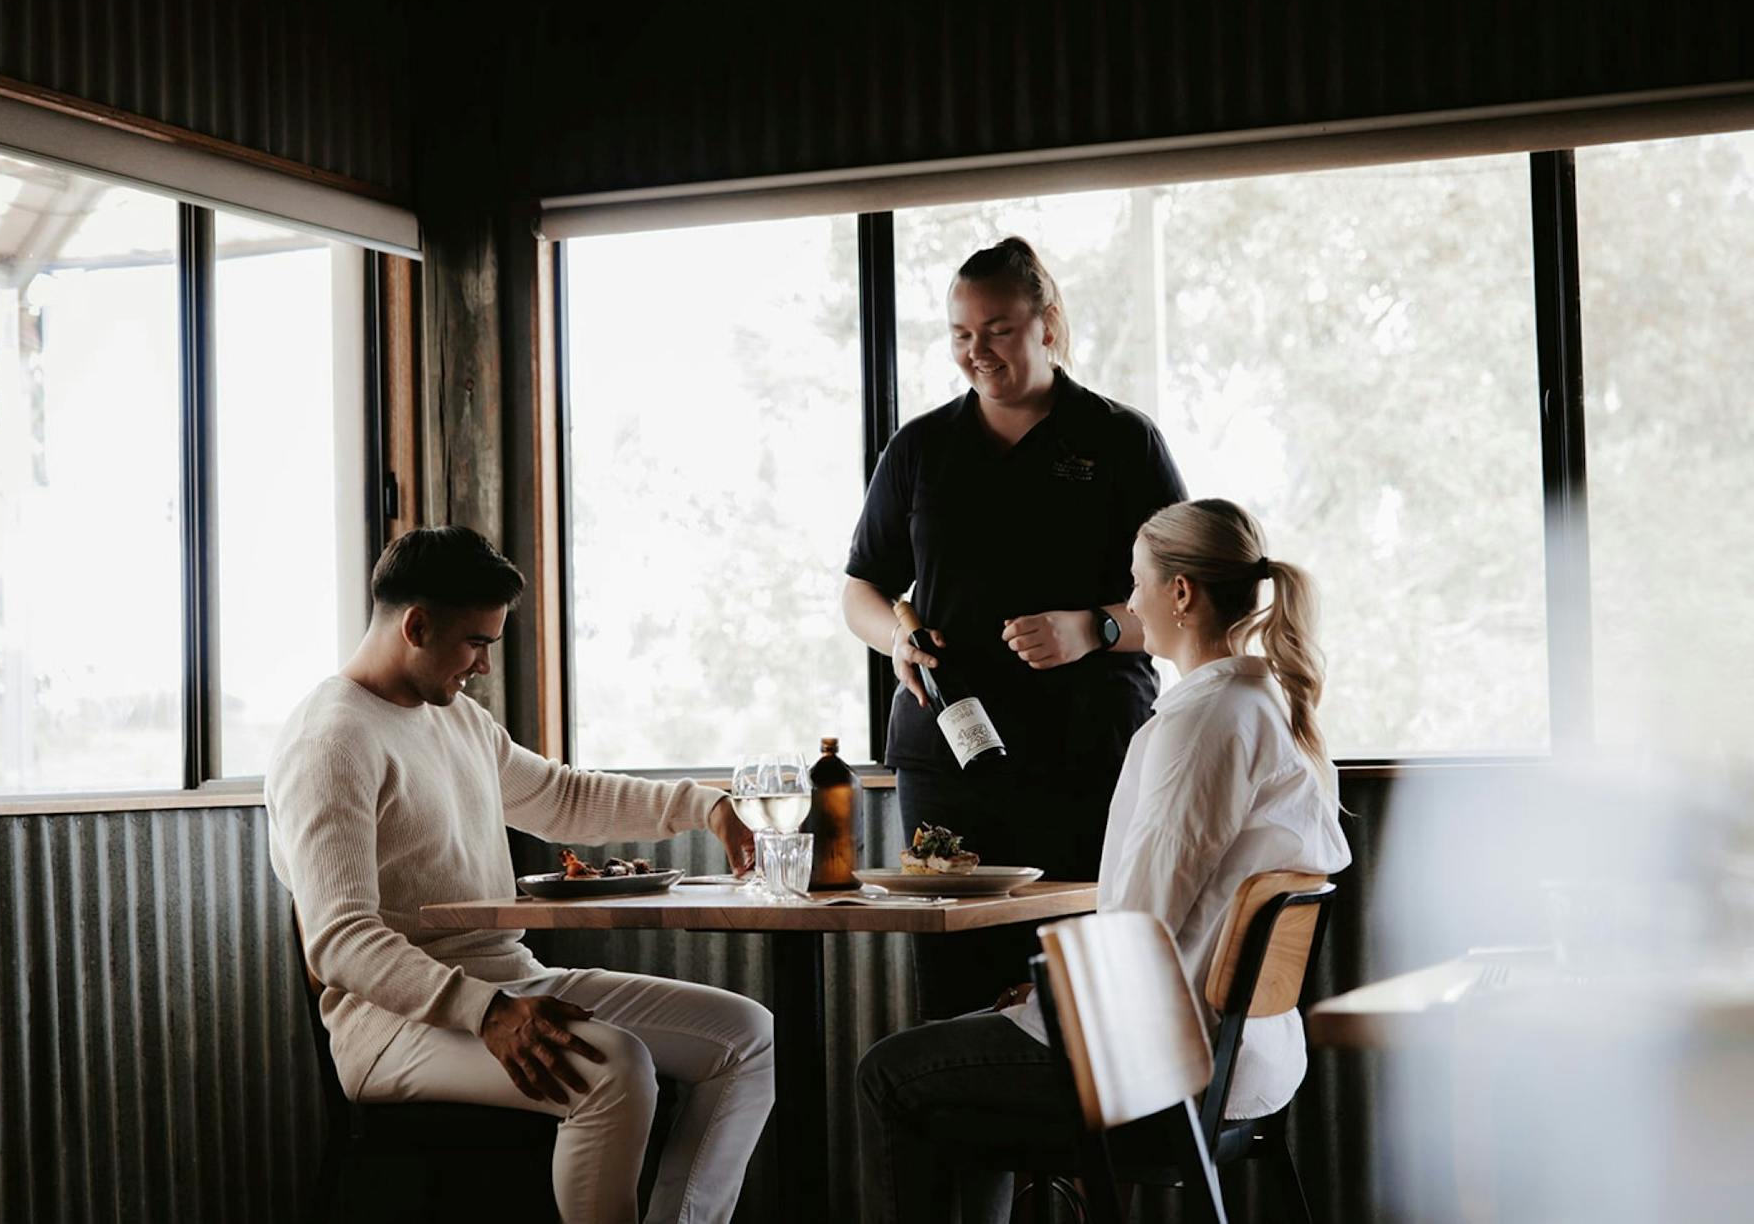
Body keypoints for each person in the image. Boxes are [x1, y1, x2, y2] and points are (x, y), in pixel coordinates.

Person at [855, 498, 1352, 1224]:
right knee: (956, 1068)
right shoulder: (1265, 705)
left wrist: (1047, 1000)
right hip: (1251, 1058)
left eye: (1137, 582)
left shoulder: (1205, 723)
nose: (1131, 603)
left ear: (1180, 593)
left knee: (889, 1073)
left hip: (1168, 1060)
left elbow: (1143, 920)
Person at [267, 526, 774, 1224]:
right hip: (393, 1025)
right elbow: (340, 939)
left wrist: (702, 805)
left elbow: (563, 797)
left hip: (509, 982)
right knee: (612, 1068)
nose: (481, 666)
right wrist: (489, 1012)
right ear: (416, 625)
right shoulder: (332, 740)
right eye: (476, 643)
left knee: (744, 1034)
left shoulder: (458, 721)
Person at [842, 236, 1188, 1018]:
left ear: (1048, 325)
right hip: (947, 759)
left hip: (1086, 755)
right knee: (957, 992)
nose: (977, 351)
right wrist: (893, 638)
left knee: (1083, 990)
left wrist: (1092, 628)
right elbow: (862, 588)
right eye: (961, 334)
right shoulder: (921, 447)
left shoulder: (1119, 440)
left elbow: (1184, 600)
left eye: (997, 329)